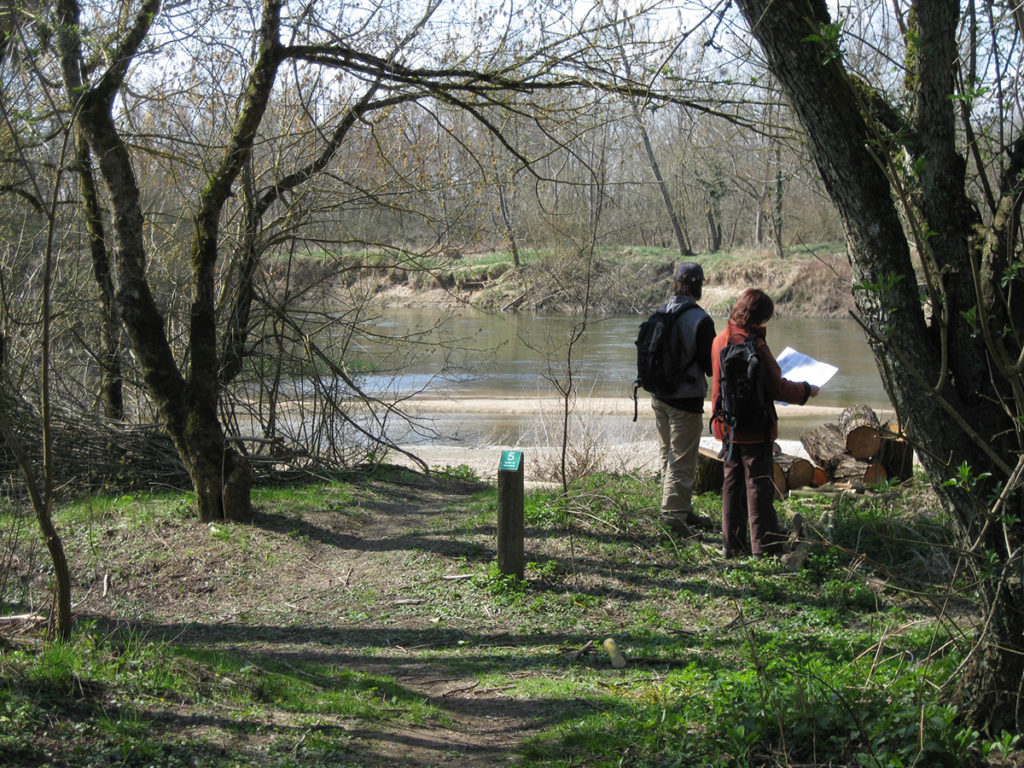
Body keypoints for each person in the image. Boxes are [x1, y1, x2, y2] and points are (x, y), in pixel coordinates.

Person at [710, 288, 819, 558]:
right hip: (757, 427)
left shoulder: (719, 340)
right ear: (760, 318)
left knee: (731, 485)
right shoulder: (756, 344)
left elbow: (716, 386)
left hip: (727, 426)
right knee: (759, 487)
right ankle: (765, 548)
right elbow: (777, 388)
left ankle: (731, 544)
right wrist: (806, 390)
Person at [650, 262, 716, 539]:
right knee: (682, 460)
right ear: (699, 285)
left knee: (669, 455)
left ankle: (680, 508)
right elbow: (712, 367)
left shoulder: (660, 312)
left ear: (675, 283)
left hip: (658, 395)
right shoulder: (701, 320)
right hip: (685, 399)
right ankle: (673, 519)